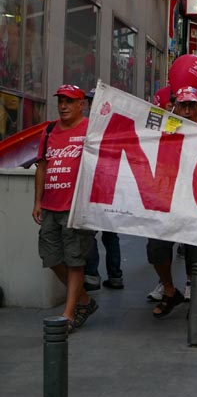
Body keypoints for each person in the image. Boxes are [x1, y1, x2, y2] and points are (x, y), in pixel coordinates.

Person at [148, 86, 197, 318]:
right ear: (176, 105)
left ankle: (195, 295)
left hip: (196, 201)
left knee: (195, 253)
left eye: (191, 105)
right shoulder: (168, 126)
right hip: (168, 198)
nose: (186, 109)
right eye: (182, 104)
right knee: (156, 249)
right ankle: (170, 290)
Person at [33, 85, 97, 332]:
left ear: (82, 104)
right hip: (50, 206)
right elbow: (42, 166)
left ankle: (69, 314)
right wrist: (37, 202)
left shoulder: (90, 129)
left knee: (75, 262)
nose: (63, 106)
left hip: (76, 208)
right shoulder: (49, 131)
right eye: (61, 101)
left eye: (69, 101)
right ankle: (83, 300)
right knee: (50, 257)